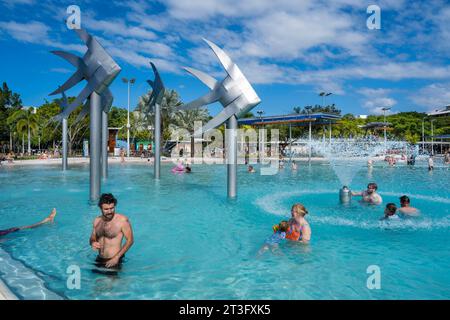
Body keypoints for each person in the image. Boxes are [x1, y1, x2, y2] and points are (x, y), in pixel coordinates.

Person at [89, 193, 134, 269]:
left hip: (114, 260)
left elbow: (130, 240)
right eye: (106, 209)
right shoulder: (97, 221)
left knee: (112, 281)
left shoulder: (122, 220)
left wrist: (116, 258)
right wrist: (93, 242)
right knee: (95, 280)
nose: (109, 211)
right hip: (99, 259)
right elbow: (92, 237)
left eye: (112, 208)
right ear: (100, 208)